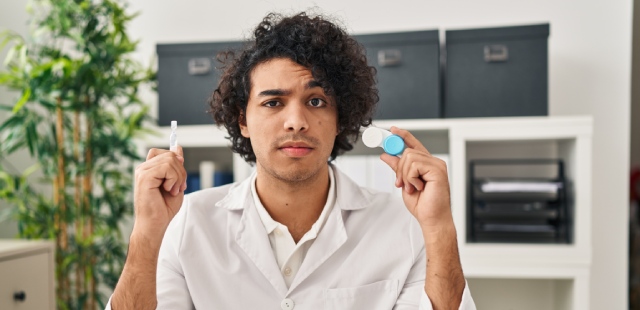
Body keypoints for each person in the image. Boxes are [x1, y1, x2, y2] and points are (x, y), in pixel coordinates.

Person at [108, 12, 475, 310]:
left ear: (339, 118)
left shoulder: (404, 225)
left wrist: (439, 226)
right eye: (273, 102)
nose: (296, 120)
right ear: (243, 120)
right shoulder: (188, 223)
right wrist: (146, 234)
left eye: (316, 101)